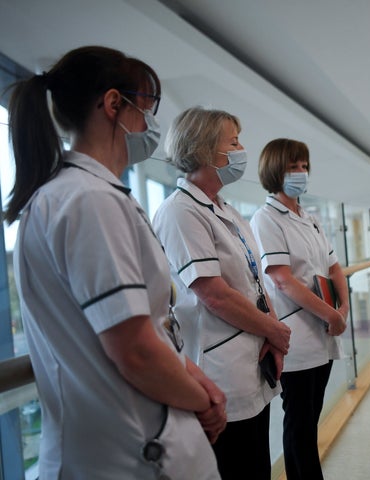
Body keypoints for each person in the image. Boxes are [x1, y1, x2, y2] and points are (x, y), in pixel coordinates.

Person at [4, 46, 225, 479]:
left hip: (134, 445)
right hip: (132, 454)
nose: (151, 126)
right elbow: (136, 350)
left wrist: (196, 379)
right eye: (147, 108)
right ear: (112, 104)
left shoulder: (84, 195)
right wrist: (207, 402)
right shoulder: (88, 201)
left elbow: (150, 331)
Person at [152, 107, 292, 479]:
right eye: (233, 142)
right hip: (219, 369)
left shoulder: (226, 210)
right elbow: (213, 293)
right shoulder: (179, 211)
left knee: (256, 465)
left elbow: (254, 282)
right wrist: (274, 330)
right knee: (236, 467)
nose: (241, 149)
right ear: (203, 149)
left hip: (251, 362)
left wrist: (273, 334)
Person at [250, 138, 349, 480]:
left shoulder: (309, 218)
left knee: (309, 422)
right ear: (275, 170)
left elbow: (334, 267)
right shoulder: (266, 219)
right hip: (297, 336)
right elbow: (282, 280)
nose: (301, 173)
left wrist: (344, 306)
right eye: (293, 166)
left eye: (304, 166)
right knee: (300, 427)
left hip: (321, 331)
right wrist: (330, 313)